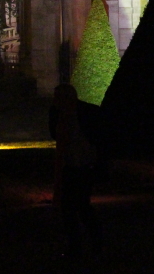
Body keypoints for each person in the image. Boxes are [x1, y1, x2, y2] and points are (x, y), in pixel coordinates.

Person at [50, 83, 102, 261]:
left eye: (58, 97)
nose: (55, 101)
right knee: (76, 208)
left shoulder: (77, 115)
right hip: (76, 166)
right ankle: (86, 244)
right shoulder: (66, 115)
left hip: (82, 167)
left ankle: (83, 245)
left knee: (77, 207)